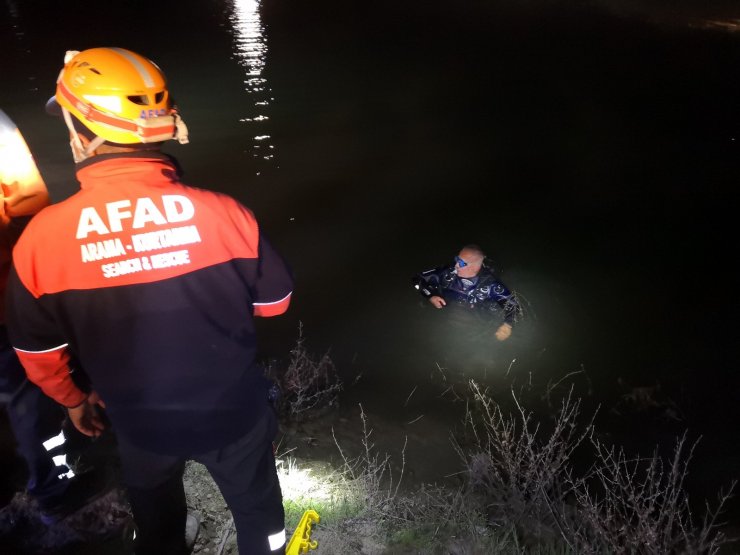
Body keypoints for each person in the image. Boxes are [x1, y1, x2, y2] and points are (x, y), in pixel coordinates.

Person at [5, 48, 294, 555]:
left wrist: (74, 401)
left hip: (139, 421)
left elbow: (36, 355)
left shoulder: (41, 241)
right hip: (234, 413)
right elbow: (275, 304)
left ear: (82, 131)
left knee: (157, 524)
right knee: (258, 515)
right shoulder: (227, 213)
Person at [0, 111, 107, 525]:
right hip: (5, 299)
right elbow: (30, 212)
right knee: (24, 397)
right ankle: (49, 490)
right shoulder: (2, 129)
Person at [412, 244, 521, 341]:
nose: (456, 265)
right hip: (443, 318)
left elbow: (513, 306)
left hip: (475, 324)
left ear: (474, 266)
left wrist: (507, 326)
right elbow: (417, 279)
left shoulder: (491, 286)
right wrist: (430, 296)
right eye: (457, 259)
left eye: (461, 263)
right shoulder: (447, 274)